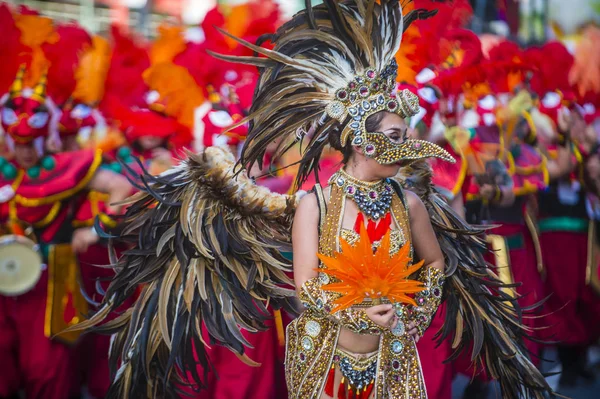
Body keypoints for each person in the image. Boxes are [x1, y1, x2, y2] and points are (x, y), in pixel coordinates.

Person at [77, 1, 554, 398]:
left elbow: (435, 267)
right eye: (393, 136)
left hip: (397, 357)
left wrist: (413, 313)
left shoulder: (408, 201)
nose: (407, 146)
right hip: (326, 360)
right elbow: (306, 291)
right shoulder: (314, 204)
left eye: (405, 134)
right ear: (358, 141)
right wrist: (356, 314)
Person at [0, 64, 131, 399]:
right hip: (4, 288)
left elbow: (121, 186)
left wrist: (97, 229)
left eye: (32, 142)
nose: (25, 150)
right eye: (19, 142)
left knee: (46, 372)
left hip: (49, 287)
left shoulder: (63, 168)